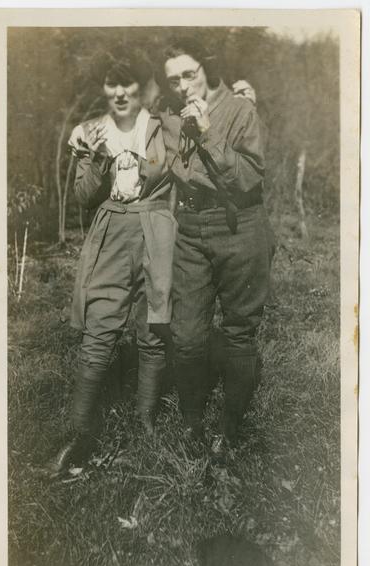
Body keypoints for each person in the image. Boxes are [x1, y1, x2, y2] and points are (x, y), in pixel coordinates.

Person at [38, 49, 177, 478]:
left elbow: (179, 166)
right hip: (112, 231)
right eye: (111, 84)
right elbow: (83, 195)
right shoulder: (88, 131)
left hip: (156, 228)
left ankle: (146, 425)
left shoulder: (162, 125)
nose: (119, 93)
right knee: (99, 329)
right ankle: (79, 436)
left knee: (155, 329)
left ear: (142, 87)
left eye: (127, 84)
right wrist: (94, 156)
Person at [158, 38, 275, 449]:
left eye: (189, 74)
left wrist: (208, 134)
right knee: (187, 335)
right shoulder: (167, 114)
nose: (183, 86)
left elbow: (249, 178)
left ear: (206, 69)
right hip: (190, 228)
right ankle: (192, 422)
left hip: (239, 224)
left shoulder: (241, 110)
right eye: (174, 79)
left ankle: (231, 427)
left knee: (239, 331)